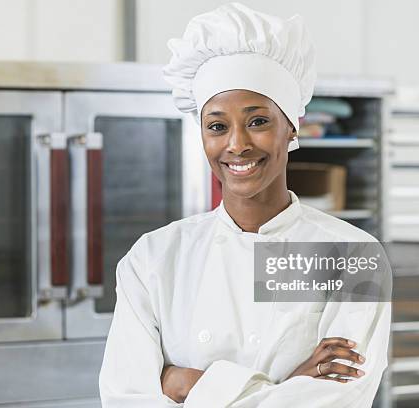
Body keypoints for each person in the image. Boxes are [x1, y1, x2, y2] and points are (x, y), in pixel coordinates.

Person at [99, 3, 391, 407]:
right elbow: (125, 398)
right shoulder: (153, 258)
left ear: (292, 127)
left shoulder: (352, 256)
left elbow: (337, 400)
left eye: (258, 121)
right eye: (217, 126)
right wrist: (282, 387)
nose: (237, 144)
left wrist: (184, 385)